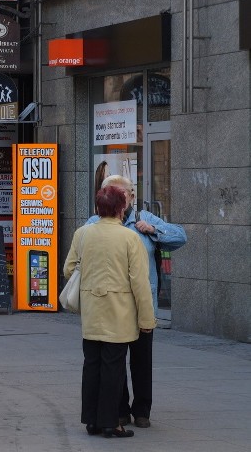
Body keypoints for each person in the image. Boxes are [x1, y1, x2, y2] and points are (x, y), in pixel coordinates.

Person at [87, 175, 187, 429]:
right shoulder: (94, 223)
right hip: (112, 308)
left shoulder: (145, 219)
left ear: (131, 196)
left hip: (143, 304)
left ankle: (142, 410)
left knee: (142, 360)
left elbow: (180, 237)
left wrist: (154, 231)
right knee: (114, 361)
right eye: (112, 194)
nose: (119, 200)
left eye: (122, 195)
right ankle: (119, 411)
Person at [65, 186, 155, 438]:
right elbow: (140, 283)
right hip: (120, 313)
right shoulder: (130, 239)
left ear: (98, 208)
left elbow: (69, 269)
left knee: (91, 364)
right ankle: (111, 422)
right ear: (121, 209)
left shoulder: (82, 234)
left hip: (92, 311)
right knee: (113, 367)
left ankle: (91, 420)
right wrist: (147, 319)